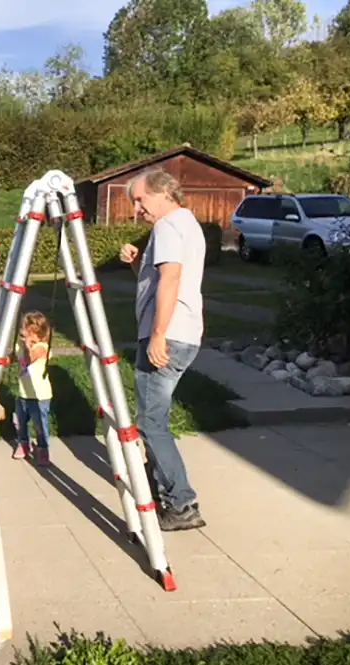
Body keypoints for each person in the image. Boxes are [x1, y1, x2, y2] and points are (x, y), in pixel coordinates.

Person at [118, 167, 207, 532]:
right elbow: (162, 279)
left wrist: (157, 334)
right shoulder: (188, 224)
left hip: (167, 335)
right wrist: (137, 264)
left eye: (140, 199)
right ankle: (164, 493)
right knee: (154, 421)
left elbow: (170, 279)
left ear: (164, 193)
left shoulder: (168, 226)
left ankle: (181, 502)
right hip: (183, 333)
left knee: (151, 423)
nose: (137, 209)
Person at [12, 311, 53, 466]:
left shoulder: (42, 348)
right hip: (23, 392)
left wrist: (28, 345)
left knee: (39, 423)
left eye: (30, 333)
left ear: (39, 335)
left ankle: (43, 448)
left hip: (40, 395)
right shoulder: (20, 346)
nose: (25, 335)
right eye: (24, 332)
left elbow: (30, 359)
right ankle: (23, 442)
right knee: (20, 421)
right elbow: (15, 357)